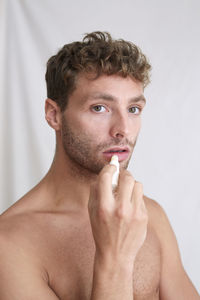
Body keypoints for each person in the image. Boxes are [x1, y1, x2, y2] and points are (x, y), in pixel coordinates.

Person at [0, 31, 199, 300]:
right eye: (99, 108)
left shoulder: (149, 215)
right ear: (54, 115)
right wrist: (115, 258)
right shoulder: (11, 244)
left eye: (133, 109)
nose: (123, 130)